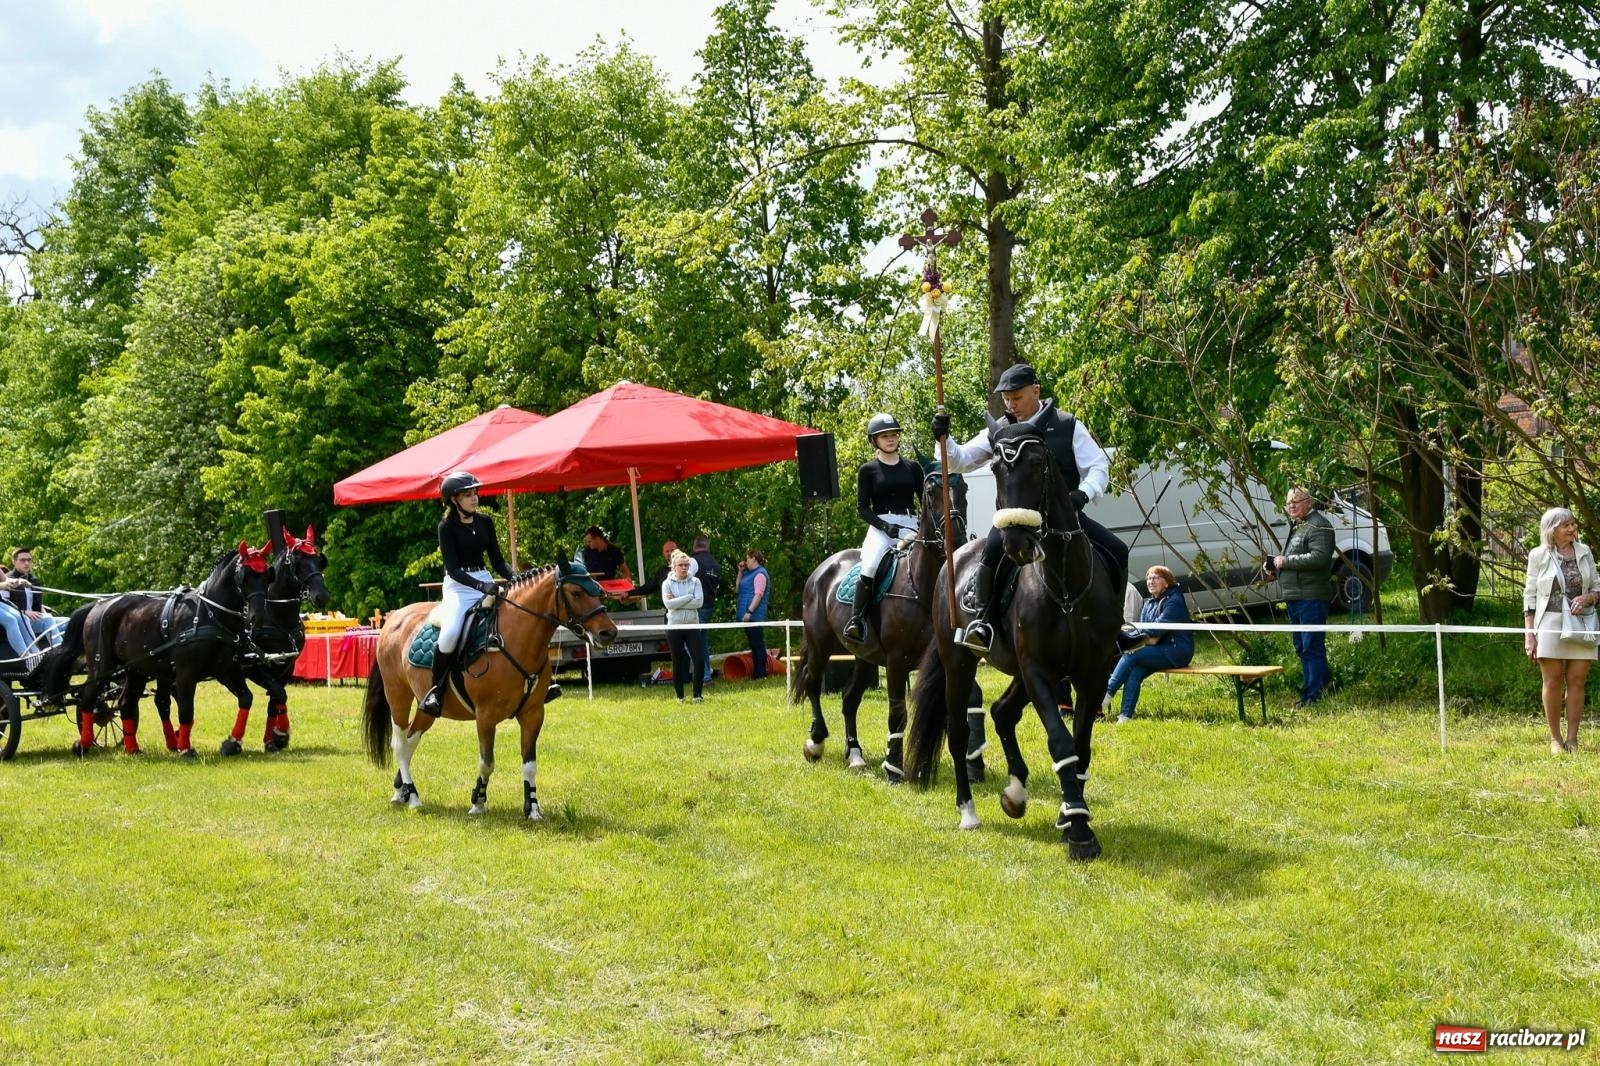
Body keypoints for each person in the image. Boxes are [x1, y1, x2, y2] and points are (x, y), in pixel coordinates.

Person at [931, 363, 1129, 653]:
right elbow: (960, 460)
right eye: (1006, 398)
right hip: (1015, 521)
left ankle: (1117, 626)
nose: (1011, 404)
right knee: (991, 552)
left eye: (1017, 397)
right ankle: (982, 624)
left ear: (1035, 390)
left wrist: (1082, 495)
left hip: (1065, 519)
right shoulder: (999, 430)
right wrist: (943, 439)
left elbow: (1097, 466)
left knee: (1118, 549)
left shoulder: (1067, 425)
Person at [419, 470, 515, 716]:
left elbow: (497, 561)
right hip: (458, 586)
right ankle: (435, 693)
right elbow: (453, 569)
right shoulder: (446, 526)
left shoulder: (485, 522)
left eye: (475, 493)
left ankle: (532, 682)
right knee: (450, 633)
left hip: (484, 578)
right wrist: (482, 587)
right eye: (468, 495)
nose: (475, 498)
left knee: (517, 618)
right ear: (454, 500)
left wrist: (516, 576)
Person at [1522, 507, 1598, 754]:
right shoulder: (1538, 555)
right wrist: (1529, 634)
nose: (1572, 529)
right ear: (1551, 530)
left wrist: (1588, 597)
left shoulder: (1585, 552)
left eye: (1573, 524)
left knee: (1577, 680)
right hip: (1550, 624)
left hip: (1581, 623)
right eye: (1566, 525)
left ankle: (1573, 739)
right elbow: (1530, 596)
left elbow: (1598, 588)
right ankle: (1555, 740)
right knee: (1552, 681)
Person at [843, 412, 922, 641]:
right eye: (885, 436)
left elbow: (925, 499)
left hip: (911, 525)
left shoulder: (913, 467)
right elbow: (862, 508)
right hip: (881, 527)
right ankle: (857, 620)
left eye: (894, 435)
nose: (891, 439)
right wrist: (884, 527)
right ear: (874, 441)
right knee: (870, 566)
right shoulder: (868, 470)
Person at [1269, 486, 1335, 706]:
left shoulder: (1319, 525)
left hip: (1311, 596)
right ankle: (1310, 690)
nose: (1291, 506)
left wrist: (1285, 561)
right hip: (1295, 596)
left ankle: (1315, 695)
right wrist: (1275, 568)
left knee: (1311, 645)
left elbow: (1320, 558)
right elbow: (1296, 558)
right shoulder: (1299, 526)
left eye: (1296, 501)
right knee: (1301, 646)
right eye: (1289, 502)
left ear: (1309, 502)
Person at [1104, 566, 1194, 722]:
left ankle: (1107, 693)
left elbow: (1155, 630)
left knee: (1133, 653)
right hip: (1156, 649)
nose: (1151, 581)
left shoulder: (1175, 601)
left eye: (1156, 578)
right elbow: (1144, 634)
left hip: (1177, 651)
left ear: (1166, 583)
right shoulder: (1148, 604)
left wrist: (1148, 637)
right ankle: (1125, 716)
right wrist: (1148, 637)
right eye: (1149, 578)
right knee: (1135, 671)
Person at [660, 549, 705, 703]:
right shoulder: (666, 584)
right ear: (674, 567)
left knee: (699, 660)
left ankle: (697, 695)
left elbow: (699, 602)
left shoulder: (696, 582)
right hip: (675, 628)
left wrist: (678, 601)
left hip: (692, 626)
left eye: (686, 565)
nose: (684, 568)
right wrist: (688, 597)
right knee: (678, 662)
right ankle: (680, 696)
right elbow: (668, 604)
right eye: (681, 565)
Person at [4, 548, 66, 649]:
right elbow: (5, 605)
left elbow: (38, 604)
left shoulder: (34, 580)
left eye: (29, 560)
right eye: (23, 560)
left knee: (68, 622)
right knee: (48, 620)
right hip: (21, 621)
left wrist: (44, 612)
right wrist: (25, 612)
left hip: (37, 618)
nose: (27, 563)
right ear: (14, 561)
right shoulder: (7, 579)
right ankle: (61, 653)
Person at [736, 548, 771, 679]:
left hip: (754, 615)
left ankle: (761, 673)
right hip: (747, 616)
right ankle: (757, 672)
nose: (746, 561)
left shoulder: (760, 574)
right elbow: (737, 589)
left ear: (754, 558)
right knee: (754, 644)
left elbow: (758, 595)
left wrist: (749, 611)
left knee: (758, 644)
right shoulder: (747, 574)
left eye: (747, 558)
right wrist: (740, 573)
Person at [691, 534, 720, 683]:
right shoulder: (715, 563)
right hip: (709, 605)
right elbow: (716, 585)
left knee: (690, 642)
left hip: (696, 607)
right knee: (702, 641)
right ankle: (706, 675)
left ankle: (704, 674)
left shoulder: (692, 562)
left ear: (694, 546)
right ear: (707, 546)